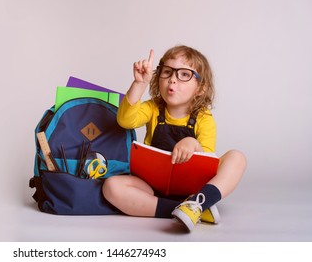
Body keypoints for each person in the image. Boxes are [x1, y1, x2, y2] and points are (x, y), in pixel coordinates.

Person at [102, 45, 247, 231]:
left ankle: (199, 201)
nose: (172, 80)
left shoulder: (204, 118)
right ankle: (185, 210)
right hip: (153, 188)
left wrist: (193, 144)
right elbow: (125, 120)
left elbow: (207, 160)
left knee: (237, 157)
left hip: (193, 187)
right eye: (168, 72)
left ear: (200, 88)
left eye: (184, 75)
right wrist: (139, 84)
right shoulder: (152, 108)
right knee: (111, 187)